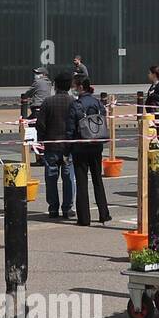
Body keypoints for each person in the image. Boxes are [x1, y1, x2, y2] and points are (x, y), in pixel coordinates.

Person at [68, 80, 111, 226]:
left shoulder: (76, 105)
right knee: (97, 179)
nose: (73, 89)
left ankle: (84, 218)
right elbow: (103, 118)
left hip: (80, 146)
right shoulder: (98, 103)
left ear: (80, 87)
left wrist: (68, 148)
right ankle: (104, 214)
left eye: (75, 87)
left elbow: (70, 129)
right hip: (96, 145)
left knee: (81, 182)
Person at [36, 71, 77, 218]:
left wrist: (42, 139)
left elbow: (40, 124)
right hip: (68, 147)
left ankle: (53, 208)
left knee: (51, 178)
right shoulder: (73, 101)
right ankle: (67, 208)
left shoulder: (48, 102)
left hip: (51, 146)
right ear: (69, 86)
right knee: (68, 178)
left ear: (56, 85)